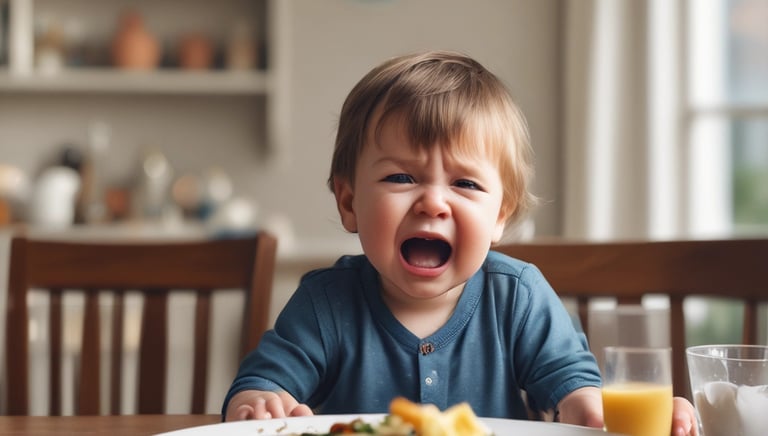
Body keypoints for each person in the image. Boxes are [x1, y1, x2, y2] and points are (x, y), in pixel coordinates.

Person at [223, 50, 697, 435]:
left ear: (500, 216)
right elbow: (261, 384)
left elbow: (575, 391)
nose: (433, 203)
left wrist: (608, 412)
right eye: (401, 176)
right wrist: (258, 401)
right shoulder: (325, 302)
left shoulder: (518, 295)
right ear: (349, 203)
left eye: (465, 185)